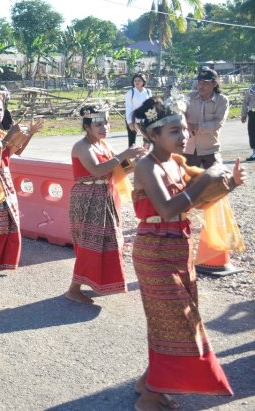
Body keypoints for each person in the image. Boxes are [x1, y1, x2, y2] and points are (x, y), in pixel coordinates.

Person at [131, 96, 245, 410]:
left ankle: (148, 382)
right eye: (173, 131)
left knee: (169, 321)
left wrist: (229, 185)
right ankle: (150, 397)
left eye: (183, 129)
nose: (183, 135)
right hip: (154, 252)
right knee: (178, 321)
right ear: (153, 136)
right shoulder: (146, 166)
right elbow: (168, 209)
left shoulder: (176, 162)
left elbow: (194, 203)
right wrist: (206, 178)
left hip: (179, 248)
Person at [65, 105, 145, 304]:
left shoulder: (102, 145)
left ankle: (96, 283)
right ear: (87, 126)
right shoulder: (82, 146)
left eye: (107, 122)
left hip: (104, 196)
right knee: (89, 244)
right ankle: (74, 289)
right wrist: (125, 154)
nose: (104, 127)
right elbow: (98, 170)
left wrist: (136, 161)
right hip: (87, 199)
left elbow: (116, 171)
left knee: (108, 241)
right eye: (98, 124)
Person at [0, 89, 43, 272]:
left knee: (11, 221)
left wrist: (30, 134)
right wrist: (11, 133)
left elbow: (15, 152)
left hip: (6, 178)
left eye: (1, 109)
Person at [184, 68, 229, 169]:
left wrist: (195, 127)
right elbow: (178, 114)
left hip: (210, 149)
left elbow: (217, 123)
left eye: (205, 83)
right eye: (199, 82)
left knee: (216, 180)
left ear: (214, 84)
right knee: (188, 182)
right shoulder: (188, 98)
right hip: (189, 149)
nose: (200, 86)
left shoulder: (221, 100)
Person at [124, 72, 152, 147]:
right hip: (133, 119)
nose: (137, 82)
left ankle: (143, 157)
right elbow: (128, 108)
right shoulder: (131, 92)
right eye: (135, 80)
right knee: (132, 143)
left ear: (143, 81)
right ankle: (130, 158)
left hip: (144, 120)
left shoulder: (148, 92)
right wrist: (130, 123)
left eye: (139, 80)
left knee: (147, 141)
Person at [242, 83, 255, 161]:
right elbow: (245, 102)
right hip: (253, 114)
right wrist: (243, 115)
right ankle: (254, 153)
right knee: (252, 133)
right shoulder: (251, 90)